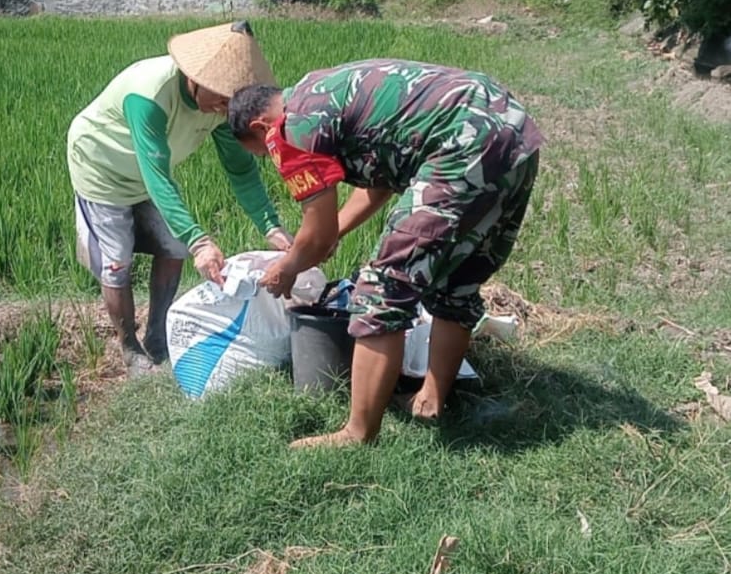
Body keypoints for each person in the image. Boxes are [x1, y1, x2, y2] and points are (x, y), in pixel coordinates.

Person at [227, 59, 544, 448]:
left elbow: (317, 234)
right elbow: (378, 184)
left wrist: (288, 267)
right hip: (509, 129)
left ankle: (358, 433)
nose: (270, 157)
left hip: (462, 143)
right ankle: (431, 399)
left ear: (260, 127)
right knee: (455, 276)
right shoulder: (317, 91)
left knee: (381, 288)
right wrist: (332, 234)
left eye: (261, 152)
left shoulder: (290, 129)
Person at [67, 21, 294, 377]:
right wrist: (200, 241)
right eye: (219, 97)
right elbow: (156, 174)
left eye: (230, 101)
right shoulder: (150, 94)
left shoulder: (220, 108)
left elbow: (241, 171)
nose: (224, 108)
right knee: (117, 262)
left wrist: (271, 226)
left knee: (173, 247)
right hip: (102, 170)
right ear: (195, 76)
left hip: (149, 175)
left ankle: (158, 335)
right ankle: (130, 349)